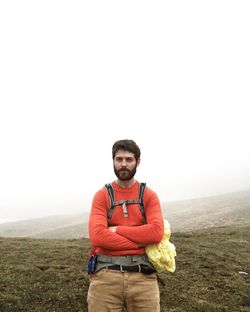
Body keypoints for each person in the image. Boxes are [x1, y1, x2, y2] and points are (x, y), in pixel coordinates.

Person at [87, 139, 164, 312]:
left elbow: (156, 233)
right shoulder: (102, 196)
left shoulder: (149, 196)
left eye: (128, 160)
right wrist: (141, 242)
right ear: (113, 161)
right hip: (106, 276)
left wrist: (117, 230)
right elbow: (98, 236)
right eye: (119, 159)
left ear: (138, 161)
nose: (123, 164)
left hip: (143, 277)